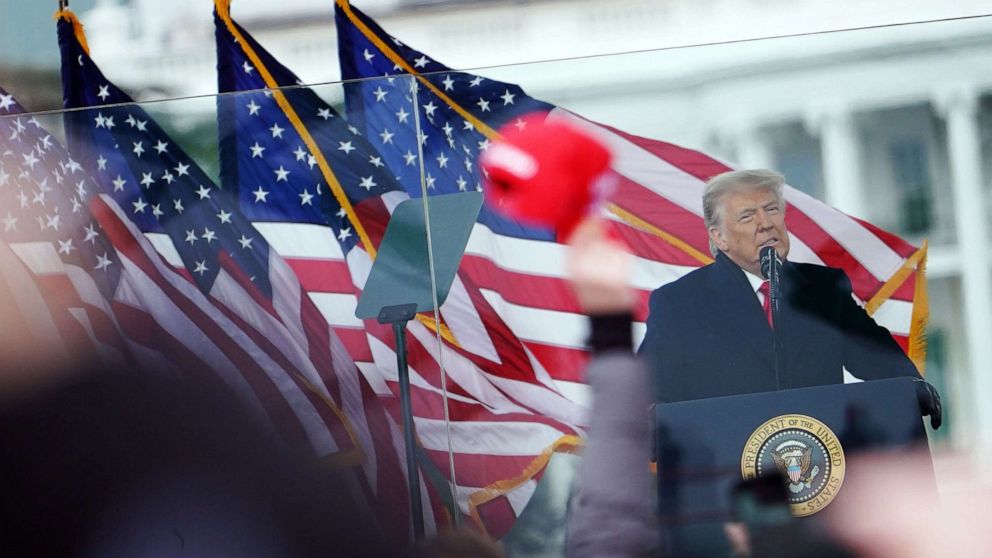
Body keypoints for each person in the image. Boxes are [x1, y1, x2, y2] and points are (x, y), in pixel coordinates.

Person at [638, 169, 940, 428]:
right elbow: (647, 395)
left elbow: (880, 362)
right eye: (747, 216)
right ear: (720, 238)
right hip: (731, 478)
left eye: (771, 209)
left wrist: (910, 386)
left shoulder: (823, 289)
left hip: (823, 470)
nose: (765, 222)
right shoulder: (680, 303)